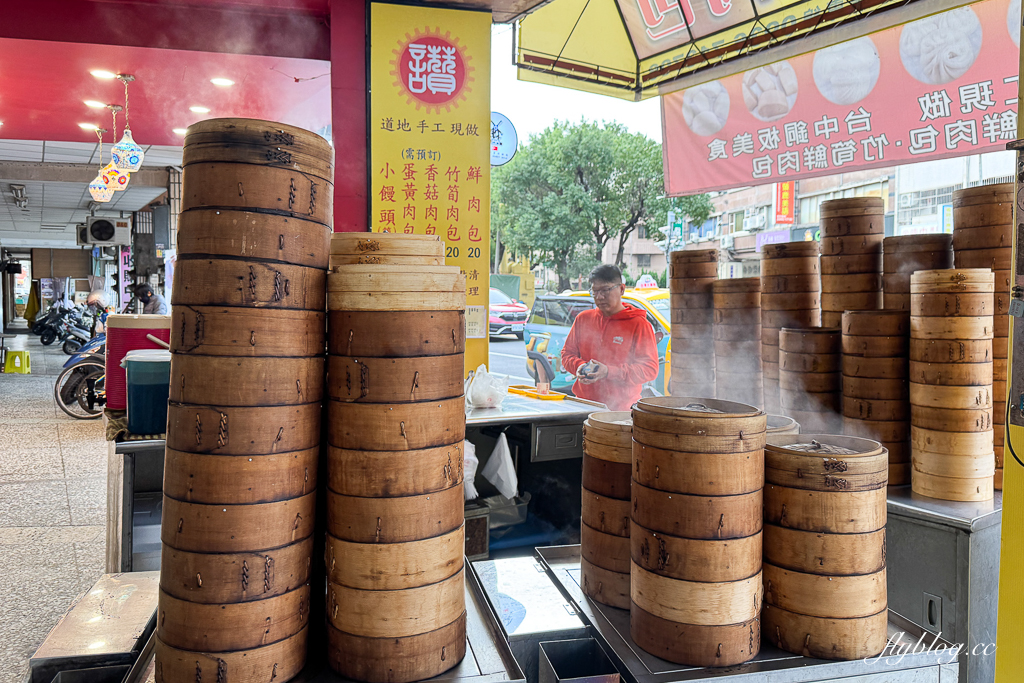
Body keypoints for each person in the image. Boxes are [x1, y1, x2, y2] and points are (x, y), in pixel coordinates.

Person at [560, 264, 660, 411]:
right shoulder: (583, 319)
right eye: (594, 291)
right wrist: (579, 366)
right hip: (583, 406)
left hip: (621, 410)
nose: (599, 297)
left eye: (605, 290)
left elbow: (649, 369)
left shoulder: (638, 324)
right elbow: (567, 354)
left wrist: (608, 372)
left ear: (621, 289)